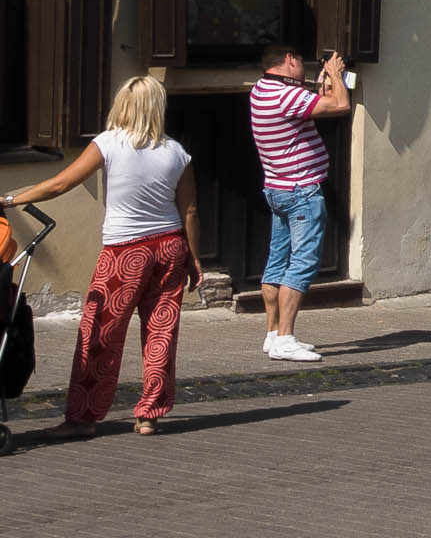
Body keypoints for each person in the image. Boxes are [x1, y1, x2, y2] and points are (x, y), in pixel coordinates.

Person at [2, 75, 204, 436]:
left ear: (122, 104)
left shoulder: (109, 143)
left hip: (125, 251)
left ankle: (82, 418)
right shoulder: (176, 152)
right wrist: (195, 257)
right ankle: (149, 414)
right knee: (161, 331)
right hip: (170, 246)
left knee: (100, 333)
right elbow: (189, 210)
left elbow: (61, 183)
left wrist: (11, 199)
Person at [250, 42, 350, 361]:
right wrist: (336, 75)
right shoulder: (286, 96)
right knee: (303, 262)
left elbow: (315, 103)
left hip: (277, 189)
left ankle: (272, 334)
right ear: (290, 60)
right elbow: (340, 106)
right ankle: (285, 338)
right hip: (301, 192)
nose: (304, 68)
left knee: (277, 262)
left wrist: (324, 83)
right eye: (301, 62)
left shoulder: (261, 90)